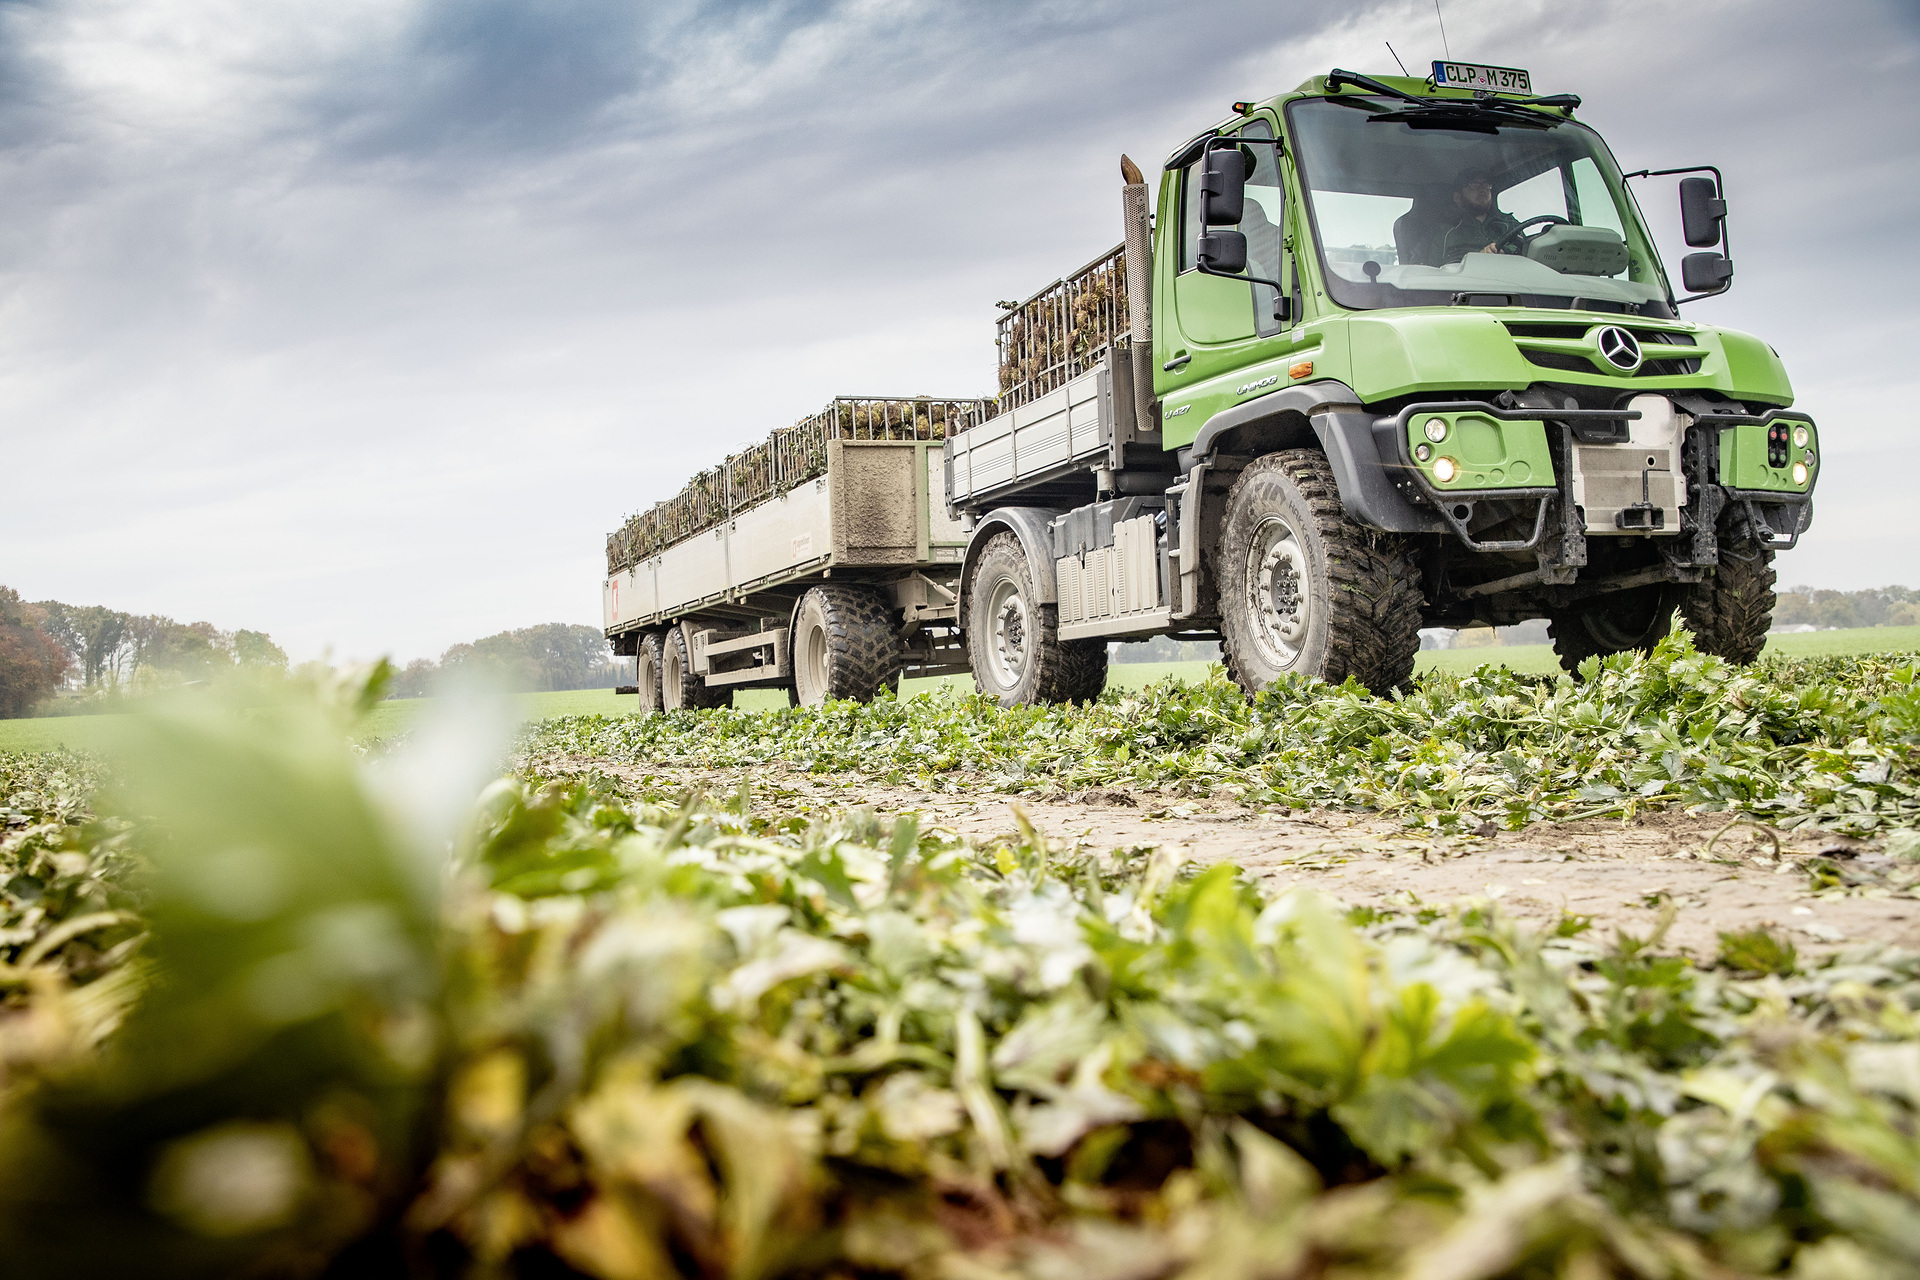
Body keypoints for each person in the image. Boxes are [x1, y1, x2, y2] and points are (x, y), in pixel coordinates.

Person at [1441, 171, 1519, 264]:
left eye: (1486, 185)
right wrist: (1478, 259)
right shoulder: (1446, 235)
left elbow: (1527, 247)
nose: (1483, 189)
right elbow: (1437, 274)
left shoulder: (1507, 221)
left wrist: (1506, 250)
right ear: (1457, 197)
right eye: (1474, 185)